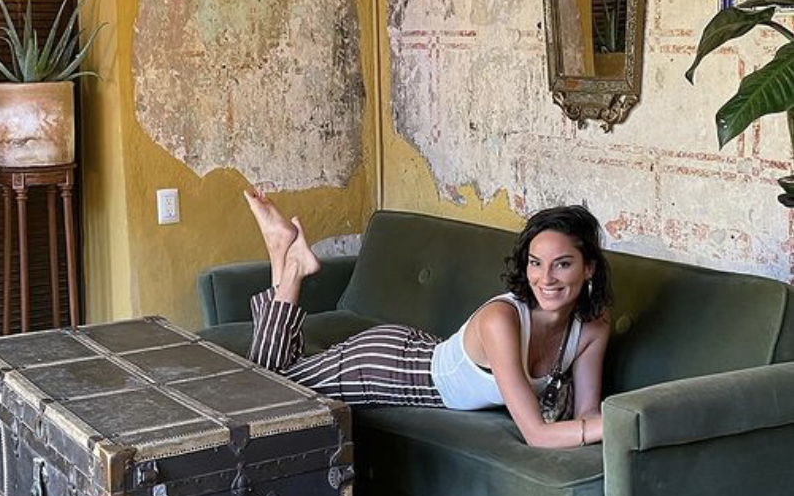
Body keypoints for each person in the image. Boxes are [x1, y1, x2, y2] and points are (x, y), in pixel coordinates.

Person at [243, 190, 612, 448]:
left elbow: (587, 412)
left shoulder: (592, 327)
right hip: (389, 369)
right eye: (536, 263)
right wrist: (619, 424)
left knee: (274, 376)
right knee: (266, 393)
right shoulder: (502, 319)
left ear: (589, 268)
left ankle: (282, 253)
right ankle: (292, 267)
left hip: (420, 349)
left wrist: (608, 424)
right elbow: (537, 434)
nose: (546, 278)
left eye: (562, 264)